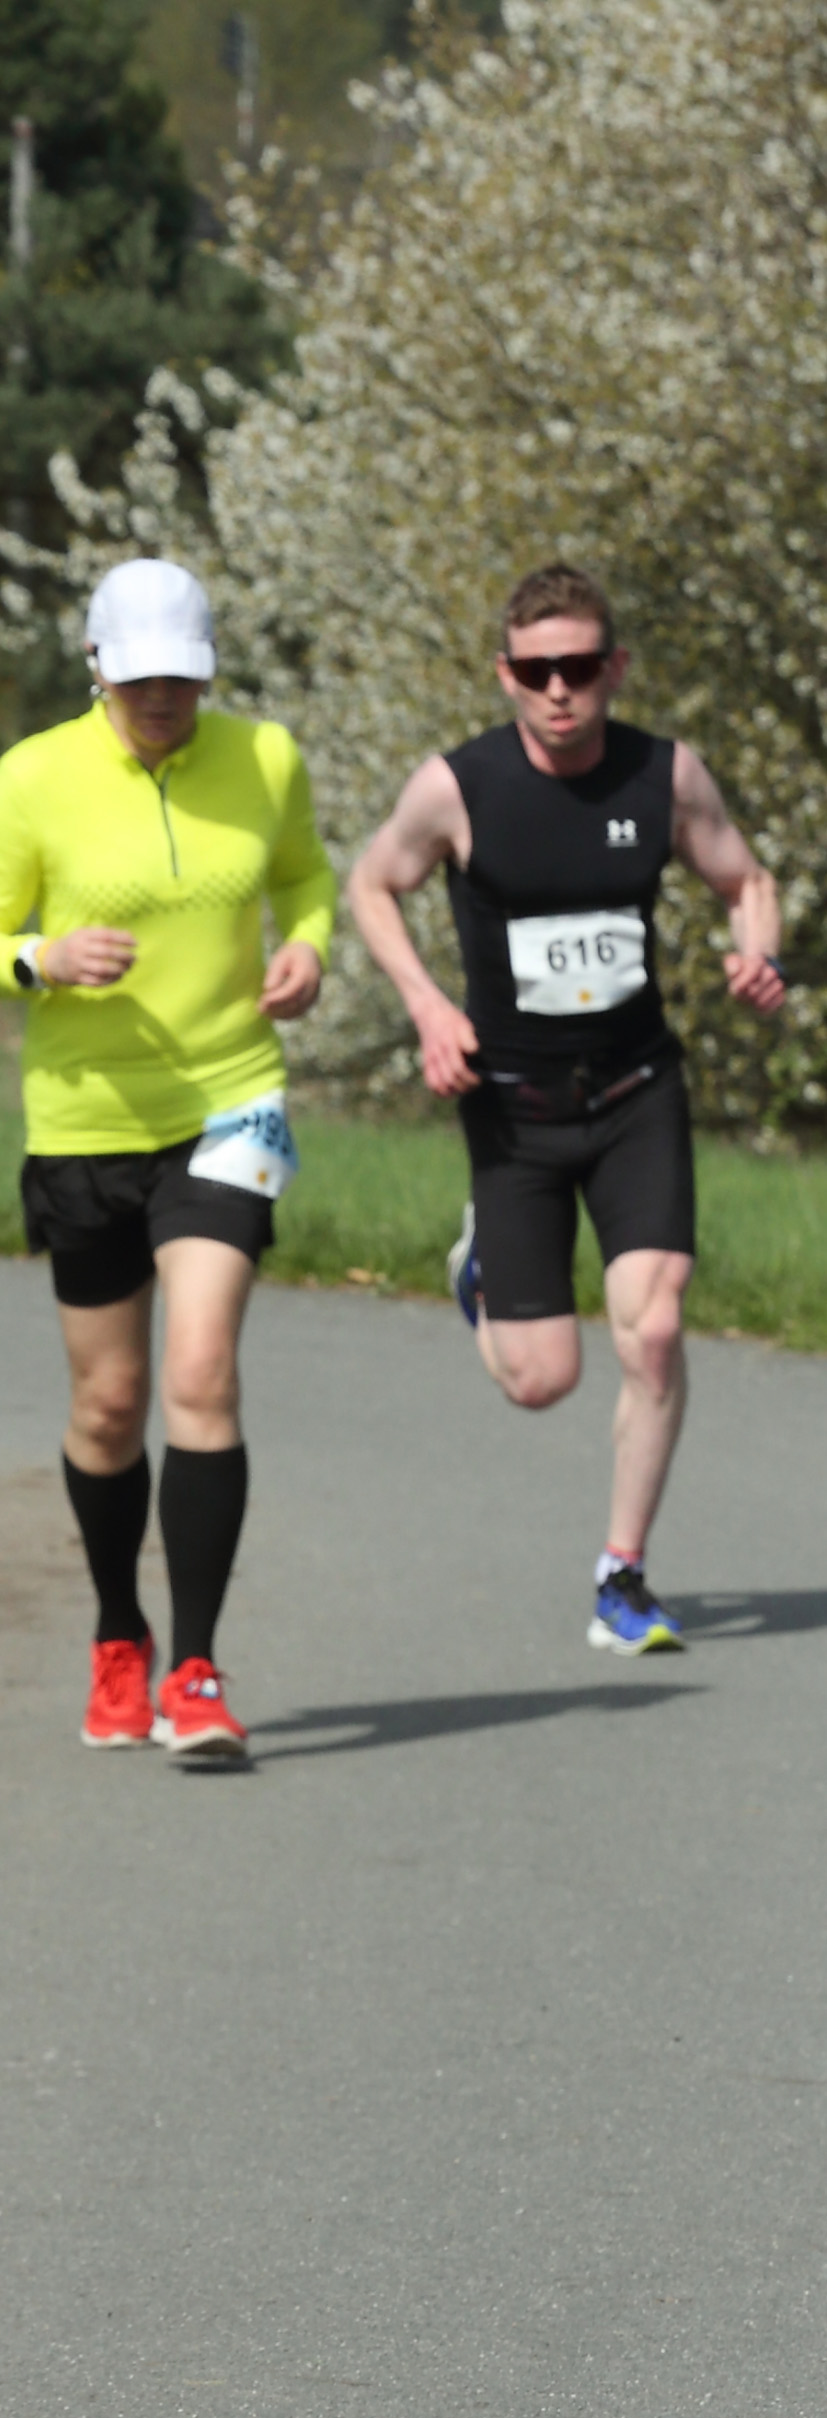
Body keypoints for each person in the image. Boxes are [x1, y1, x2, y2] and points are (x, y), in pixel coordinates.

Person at [0, 559, 335, 1764]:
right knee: (109, 1405)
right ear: (97, 667)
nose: (164, 698)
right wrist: (41, 959)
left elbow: (305, 878)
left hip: (230, 1102)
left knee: (200, 1373)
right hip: (85, 1124)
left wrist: (309, 948)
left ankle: (197, 1671)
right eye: (142, 677)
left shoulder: (266, 759)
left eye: (185, 678)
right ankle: (121, 1633)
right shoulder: (34, 776)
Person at [348, 561, 785, 1653]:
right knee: (541, 1380)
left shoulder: (664, 775)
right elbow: (371, 883)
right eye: (537, 670)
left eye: (580, 668)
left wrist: (757, 953)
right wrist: (428, 1006)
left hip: (637, 1090)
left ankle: (621, 1575)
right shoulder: (457, 788)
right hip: (513, 1109)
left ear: (614, 668)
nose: (559, 690)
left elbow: (746, 880)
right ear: (505, 674)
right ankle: (481, 1272)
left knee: (658, 1326)